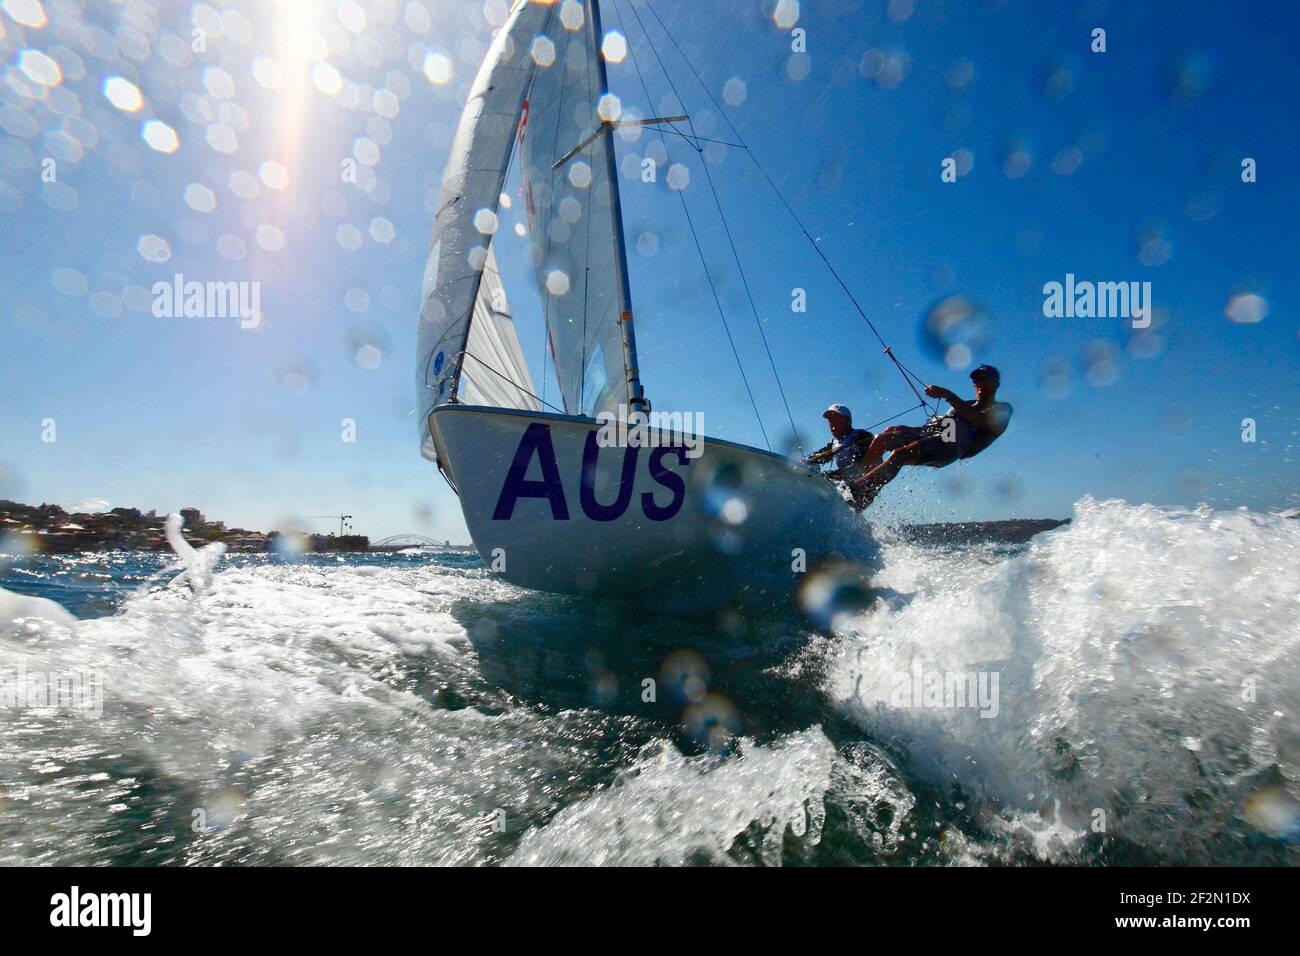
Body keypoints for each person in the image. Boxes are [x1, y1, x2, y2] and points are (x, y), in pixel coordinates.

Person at [850, 364, 1012, 509]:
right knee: (883, 438)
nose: (980, 385)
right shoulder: (966, 404)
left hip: (951, 448)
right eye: (977, 382)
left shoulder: (1003, 409)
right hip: (937, 437)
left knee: (900, 455)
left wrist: (948, 394)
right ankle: (860, 484)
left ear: (996, 384)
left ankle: (857, 489)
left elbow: (978, 419)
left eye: (985, 381)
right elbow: (939, 427)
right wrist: (909, 429)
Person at [803, 404, 875, 509]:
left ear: (847, 420)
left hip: (865, 487)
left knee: (838, 501)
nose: (832, 423)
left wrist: (827, 475)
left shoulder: (861, 436)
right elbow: (818, 456)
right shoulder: (833, 443)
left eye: (836, 419)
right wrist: (803, 463)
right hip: (848, 485)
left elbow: (858, 467)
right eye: (830, 420)